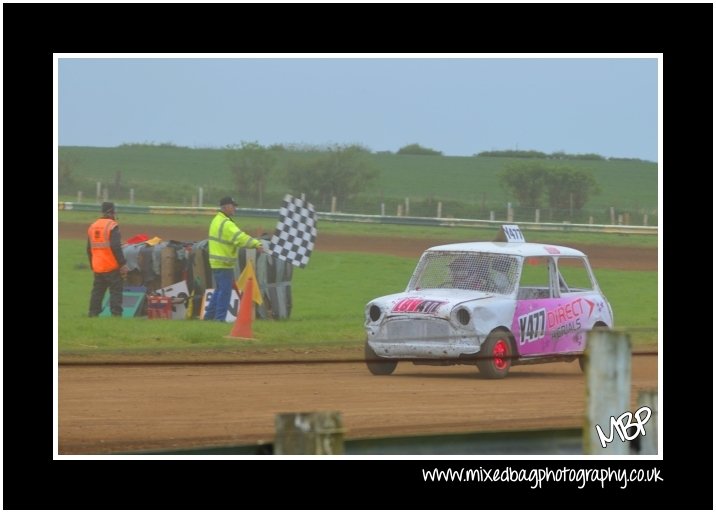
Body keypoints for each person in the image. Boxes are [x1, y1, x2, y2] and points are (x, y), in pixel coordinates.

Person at [204, 196, 264, 321]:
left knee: (219, 290)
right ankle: (219, 319)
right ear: (225, 207)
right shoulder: (226, 224)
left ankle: (208, 317)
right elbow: (240, 237)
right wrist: (256, 244)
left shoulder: (216, 220)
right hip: (224, 262)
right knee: (224, 292)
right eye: (233, 206)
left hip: (217, 262)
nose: (234, 208)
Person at [87, 202, 129, 317]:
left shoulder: (93, 226)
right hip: (111, 265)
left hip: (98, 266)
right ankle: (116, 314)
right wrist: (122, 264)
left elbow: (89, 248)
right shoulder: (112, 225)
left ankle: (92, 313)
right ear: (111, 212)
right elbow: (116, 247)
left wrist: (93, 265)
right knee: (115, 291)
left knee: (97, 291)